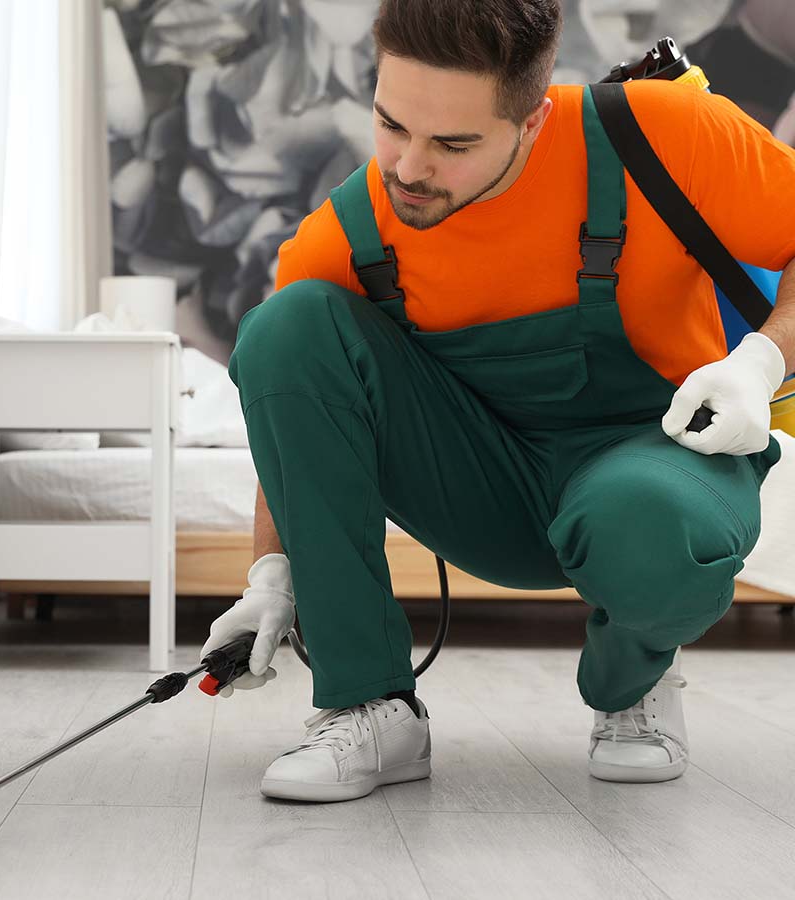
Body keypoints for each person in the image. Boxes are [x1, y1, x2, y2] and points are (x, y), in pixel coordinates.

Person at [200, 0, 794, 802]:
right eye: (391, 125)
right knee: (283, 328)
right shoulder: (347, 233)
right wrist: (271, 573)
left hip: (658, 464)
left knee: (649, 526)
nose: (409, 168)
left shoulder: (663, 132)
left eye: (453, 144)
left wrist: (761, 362)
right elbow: (296, 408)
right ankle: (370, 705)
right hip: (488, 488)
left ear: (533, 120)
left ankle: (633, 687)